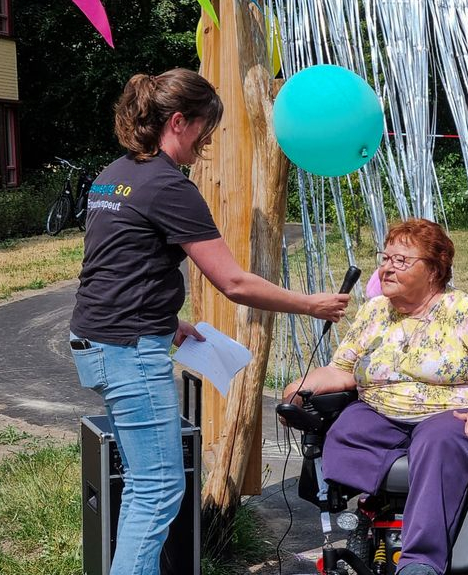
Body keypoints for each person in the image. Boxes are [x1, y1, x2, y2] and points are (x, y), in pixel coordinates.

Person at [68, 68, 350, 575]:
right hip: (127, 350)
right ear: (179, 122)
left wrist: (166, 320)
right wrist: (312, 304)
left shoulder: (116, 173)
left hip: (99, 339)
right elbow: (234, 283)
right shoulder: (168, 185)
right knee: (157, 492)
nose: (206, 144)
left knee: (144, 483)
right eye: (204, 131)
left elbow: (116, 262)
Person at [282, 218, 468, 575]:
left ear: (433, 270)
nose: (386, 267)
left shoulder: (465, 312)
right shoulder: (374, 311)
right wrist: (299, 386)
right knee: (345, 430)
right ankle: (381, 507)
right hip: (385, 413)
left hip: (453, 414)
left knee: (436, 442)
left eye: (401, 260)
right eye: (385, 258)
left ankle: (420, 562)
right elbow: (341, 370)